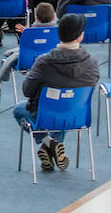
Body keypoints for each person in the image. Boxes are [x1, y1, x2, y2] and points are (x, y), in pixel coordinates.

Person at [14, 13, 100, 173]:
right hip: (77, 113)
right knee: (66, 103)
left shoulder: (44, 61)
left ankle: (48, 143)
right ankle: (54, 144)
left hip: (47, 113)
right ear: (80, 37)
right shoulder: (92, 62)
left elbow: (27, 90)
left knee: (19, 109)